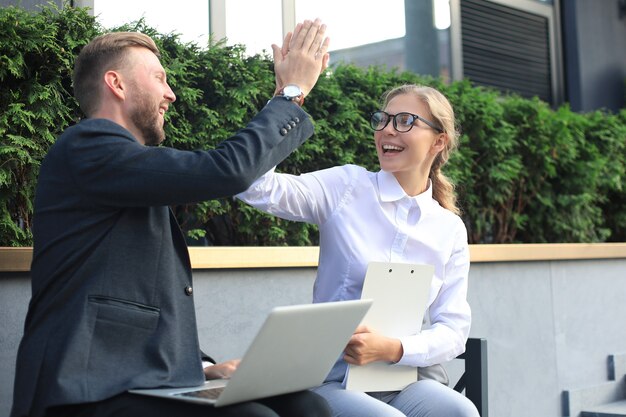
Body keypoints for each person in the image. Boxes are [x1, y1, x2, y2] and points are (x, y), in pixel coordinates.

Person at [11, 20, 332, 417]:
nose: (171, 94)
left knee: (307, 405)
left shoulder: (124, 169)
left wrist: (202, 367)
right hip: (86, 387)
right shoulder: (88, 147)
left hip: (148, 379)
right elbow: (224, 171)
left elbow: (137, 294)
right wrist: (290, 94)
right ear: (117, 83)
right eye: (160, 78)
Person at [237, 84, 480, 417]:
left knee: (461, 411)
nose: (388, 130)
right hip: (330, 377)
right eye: (383, 119)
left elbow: (453, 331)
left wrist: (394, 348)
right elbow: (254, 188)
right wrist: (285, 100)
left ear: (438, 141)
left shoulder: (448, 229)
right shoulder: (346, 188)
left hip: (404, 378)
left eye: (406, 121)